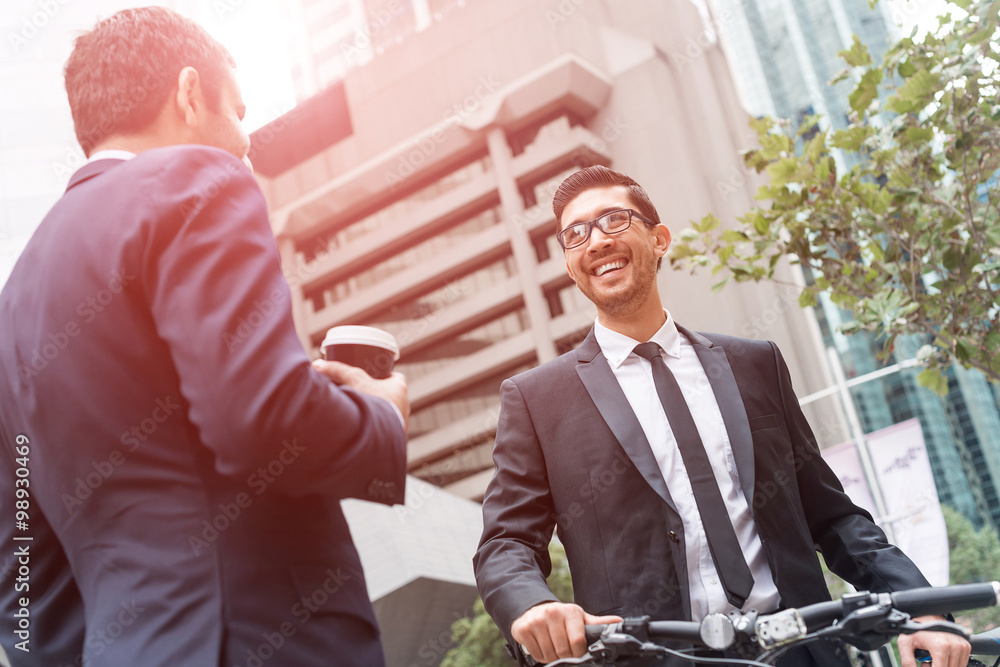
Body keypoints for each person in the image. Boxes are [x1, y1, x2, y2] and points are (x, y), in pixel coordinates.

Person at [0, 7, 408, 667]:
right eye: (239, 112)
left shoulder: (11, 309)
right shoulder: (195, 180)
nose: (245, 141)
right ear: (190, 94)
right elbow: (258, 415)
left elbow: (21, 569)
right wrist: (381, 417)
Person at [473, 165, 971, 667]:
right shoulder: (536, 400)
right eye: (576, 234)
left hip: (801, 651)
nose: (595, 241)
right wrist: (532, 605)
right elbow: (506, 541)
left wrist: (920, 609)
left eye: (613, 220)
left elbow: (832, 515)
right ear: (570, 264)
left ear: (660, 238)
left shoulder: (756, 364)